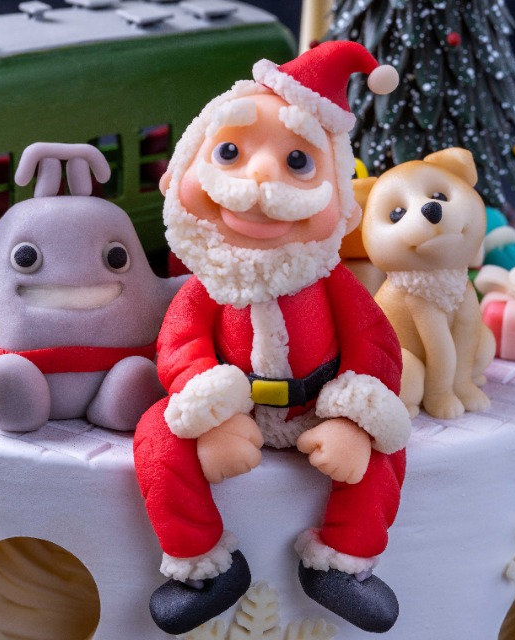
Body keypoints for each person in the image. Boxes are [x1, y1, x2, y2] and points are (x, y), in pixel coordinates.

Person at [133, 41, 412, 635]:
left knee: (387, 448)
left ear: (342, 204)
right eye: (230, 152)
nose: (260, 178)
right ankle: (204, 566)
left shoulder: (332, 283)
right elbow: (180, 347)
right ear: (180, 173)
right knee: (158, 434)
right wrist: (212, 412)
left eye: (299, 161)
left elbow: (376, 347)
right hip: (234, 410)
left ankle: (345, 561)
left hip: (318, 406)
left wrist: (353, 420)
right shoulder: (208, 285)